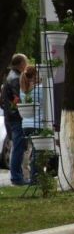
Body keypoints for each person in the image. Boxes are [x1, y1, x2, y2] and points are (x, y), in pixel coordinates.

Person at [3, 54, 29, 185]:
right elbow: (19, 98)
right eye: (26, 61)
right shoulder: (15, 78)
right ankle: (17, 178)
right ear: (21, 64)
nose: (27, 64)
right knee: (18, 147)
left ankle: (18, 176)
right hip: (16, 117)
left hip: (11, 116)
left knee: (17, 146)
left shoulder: (11, 76)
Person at [18, 65, 43, 185]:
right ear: (35, 75)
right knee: (38, 152)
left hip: (26, 124)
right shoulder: (40, 89)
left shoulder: (22, 90)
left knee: (32, 151)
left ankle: (32, 176)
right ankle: (35, 178)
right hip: (37, 124)